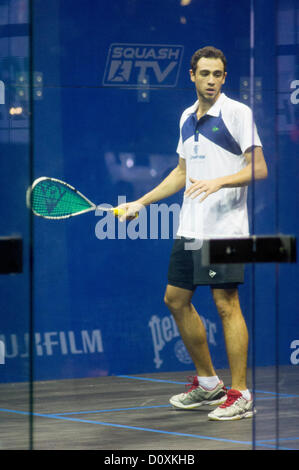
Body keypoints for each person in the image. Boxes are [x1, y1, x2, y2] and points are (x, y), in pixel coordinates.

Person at [115, 46, 268, 421]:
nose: (212, 81)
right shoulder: (186, 117)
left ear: (224, 78)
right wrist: (143, 201)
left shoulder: (237, 113)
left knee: (225, 304)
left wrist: (220, 182)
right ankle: (208, 384)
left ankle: (241, 393)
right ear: (192, 75)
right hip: (191, 227)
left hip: (226, 230)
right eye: (205, 74)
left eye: (218, 74)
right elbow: (182, 172)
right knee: (175, 300)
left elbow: (259, 168)